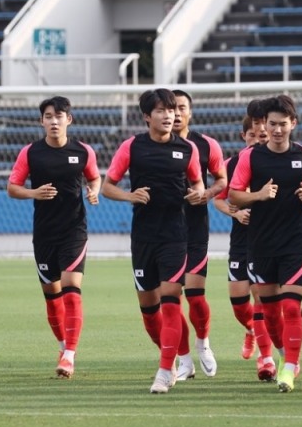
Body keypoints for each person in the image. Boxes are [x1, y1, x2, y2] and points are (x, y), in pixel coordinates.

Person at [101, 88, 205, 394]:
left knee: (172, 300)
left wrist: (199, 193)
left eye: (172, 110)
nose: (168, 115)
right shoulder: (132, 147)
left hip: (176, 235)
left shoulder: (187, 149)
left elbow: (198, 184)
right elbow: (107, 187)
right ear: (147, 116)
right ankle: (172, 358)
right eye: (161, 111)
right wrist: (130, 196)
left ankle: (163, 371)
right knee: (149, 310)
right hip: (144, 236)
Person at [229, 94, 302, 393]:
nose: (277, 130)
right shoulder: (251, 157)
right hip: (260, 244)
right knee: (269, 312)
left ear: (293, 124)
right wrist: (257, 195)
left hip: (295, 242)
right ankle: (286, 356)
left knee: (291, 306)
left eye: (283, 124)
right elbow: (234, 195)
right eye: (272, 124)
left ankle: (289, 369)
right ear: (265, 125)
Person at [7, 96, 101, 378]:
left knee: (72, 292)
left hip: (74, 231)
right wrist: (33, 193)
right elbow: (13, 187)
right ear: (41, 121)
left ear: (68, 120)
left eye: (59, 116)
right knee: (52, 297)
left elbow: (94, 177)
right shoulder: (31, 153)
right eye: (48, 116)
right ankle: (63, 346)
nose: (54, 121)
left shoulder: (83, 151)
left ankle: (70, 355)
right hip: (44, 233)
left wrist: (93, 190)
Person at [213, 112, 276, 381]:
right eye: (252, 134)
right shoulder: (232, 163)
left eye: (261, 133)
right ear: (244, 136)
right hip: (240, 238)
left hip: (266, 238)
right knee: (239, 300)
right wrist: (236, 214)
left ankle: (266, 358)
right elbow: (218, 199)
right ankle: (251, 329)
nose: (257, 138)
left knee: (260, 297)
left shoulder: (273, 161)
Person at [171, 89, 227, 380]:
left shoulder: (206, 145)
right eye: (172, 108)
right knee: (170, 300)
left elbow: (222, 180)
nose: (177, 113)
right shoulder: (151, 147)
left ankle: (203, 343)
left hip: (194, 229)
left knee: (194, 295)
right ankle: (184, 360)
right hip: (162, 232)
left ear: (190, 112)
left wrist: (206, 193)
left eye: (182, 107)